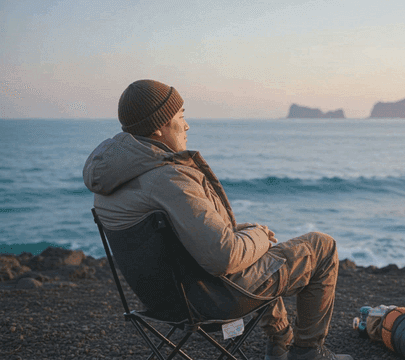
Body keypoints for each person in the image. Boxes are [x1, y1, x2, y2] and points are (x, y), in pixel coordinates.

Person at [83, 79, 352, 360]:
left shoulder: (108, 184)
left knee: (255, 247)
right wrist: (260, 234)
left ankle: (281, 342)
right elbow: (223, 258)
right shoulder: (169, 179)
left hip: (162, 302)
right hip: (213, 300)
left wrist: (247, 236)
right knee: (321, 246)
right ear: (158, 127)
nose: (187, 126)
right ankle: (307, 352)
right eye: (181, 116)